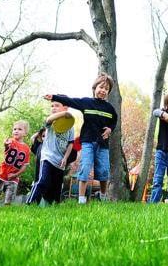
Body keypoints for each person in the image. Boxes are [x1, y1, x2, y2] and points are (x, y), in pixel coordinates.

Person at [46, 73, 117, 203]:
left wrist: (110, 129)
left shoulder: (110, 108)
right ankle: (81, 199)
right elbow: (71, 101)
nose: (103, 91)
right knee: (85, 168)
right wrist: (54, 97)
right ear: (95, 88)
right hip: (88, 142)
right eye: (101, 87)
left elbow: (114, 120)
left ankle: (102, 196)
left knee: (103, 170)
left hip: (103, 144)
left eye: (106, 89)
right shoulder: (87, 102)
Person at [27, 100, 74, 205]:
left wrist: (65, 158)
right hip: (47, 157)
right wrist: (63, 114)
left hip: (60, 161)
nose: (53, 108)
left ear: (65, 107)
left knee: (56, 188)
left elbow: (70, 143)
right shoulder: (52, 122)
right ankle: (30, 203)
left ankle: (53, 207)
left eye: (57, 105)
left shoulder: (70, 126)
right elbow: (48, 119)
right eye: (52, 106)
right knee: (43, 181)